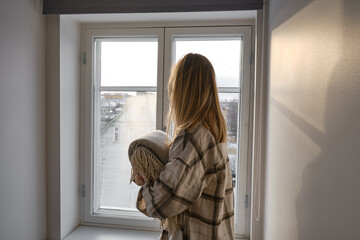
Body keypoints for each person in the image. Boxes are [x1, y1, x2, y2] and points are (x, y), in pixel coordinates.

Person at [134, 53, 234, 239]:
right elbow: (187, 186)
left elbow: (162, 202)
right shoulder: (213, 128)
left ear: (180, 91)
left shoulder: (193, 137)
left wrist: (147, 185)